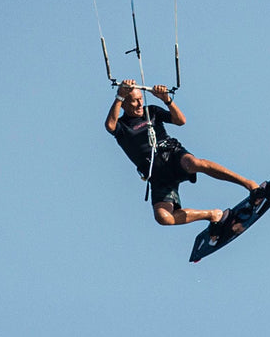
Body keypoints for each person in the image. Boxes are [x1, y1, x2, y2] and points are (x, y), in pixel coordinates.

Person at [105, 80, 261, 231]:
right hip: (157, 174)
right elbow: (110, 126)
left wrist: (166, 100)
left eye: (140, 99)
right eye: (134, 101)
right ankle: (213, 215)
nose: (139, 104)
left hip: (172, 155)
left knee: (195, 164)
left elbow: (181, 121)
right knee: (163, 218)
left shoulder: (151, 111)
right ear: (124, 104)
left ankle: (250, 185)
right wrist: (119, 96)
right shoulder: (121, 126)